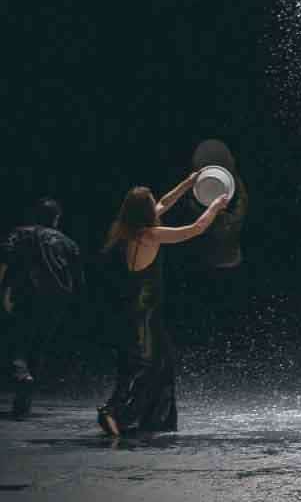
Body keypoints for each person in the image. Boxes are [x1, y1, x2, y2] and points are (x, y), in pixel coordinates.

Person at [97, 175, 229, 436]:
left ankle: (154, 419)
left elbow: (165, 202)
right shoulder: (151, 235)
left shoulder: (126, 228)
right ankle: (116, 412)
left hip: (135, 308)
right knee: (149, 365)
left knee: (158, 363)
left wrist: (189, 183)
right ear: (145, 211)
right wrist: (214, 205)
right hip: (145, 312)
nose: (156, 205)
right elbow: (195, 229)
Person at [1, 198, 84, 418]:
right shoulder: (68, 243)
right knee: (38, 347)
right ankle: (22, 406)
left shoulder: (20, 233)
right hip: (55, 303)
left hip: (25, 296)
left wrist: (4, 290)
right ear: (56, 219)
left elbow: (5, 261)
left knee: (16, 343)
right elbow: (78, 280)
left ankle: (21, 376)